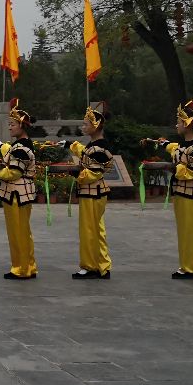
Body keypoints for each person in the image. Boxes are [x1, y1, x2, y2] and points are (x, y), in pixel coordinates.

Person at [0, 99, 38, 280]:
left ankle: (21, 268)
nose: (10, 128)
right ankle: (28, 265)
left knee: (18, 232)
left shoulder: (21, 149)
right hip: (19, 193)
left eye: (12, 124)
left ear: (21, 125)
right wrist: (1, 146)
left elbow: (13, 172)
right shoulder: (21, 145)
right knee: (22, 232)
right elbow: (10, 153)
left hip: (16, 194)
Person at [66, 103, 114, 280]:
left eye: (86, 124)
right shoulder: (96, 145)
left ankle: (91, 266)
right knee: (96, 229)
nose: (83, 126)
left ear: (96, 126)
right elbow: (85, 152)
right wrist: (71, 145)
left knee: (89, 230)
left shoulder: (99, 148)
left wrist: (75, 172)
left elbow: (93, 173)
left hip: (92, 192)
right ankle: (102, 266)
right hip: (94, 192)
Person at [163, 100, 193, 279]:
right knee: (189, 231)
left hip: (190, 192)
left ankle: (189, 268)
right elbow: (175, 149)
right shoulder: (185, 146)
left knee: (189, 231)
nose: (176, 124)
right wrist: (164, 143)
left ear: (187, 124)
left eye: (179, 121)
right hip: (182, 193)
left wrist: (176, 168)